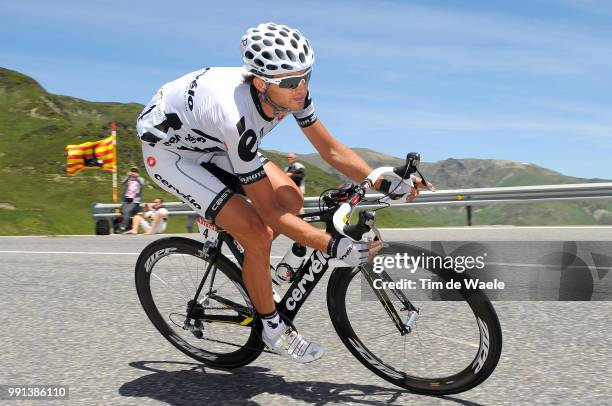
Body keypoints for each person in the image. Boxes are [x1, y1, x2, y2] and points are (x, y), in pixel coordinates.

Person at [135, 22, 422, 363]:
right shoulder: (235, 115)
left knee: (292, 199)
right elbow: (269, 214)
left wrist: (387, 182)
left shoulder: (290, 89)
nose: (301, 88)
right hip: (172, 155)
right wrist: (333, 245)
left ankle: (259, 260)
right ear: (260, 82)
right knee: (259, 232)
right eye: (291, 82)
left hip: (211, 141)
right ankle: (272, 329)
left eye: (307, 77)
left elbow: (330, 150)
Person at [119, 167, 145, 232]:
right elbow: (122, 182)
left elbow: (142, 183)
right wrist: (128, 176)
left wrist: (137, 177)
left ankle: (123, 227)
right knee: (123, 211)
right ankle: (128, 227)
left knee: (127, 211)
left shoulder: (141, 179)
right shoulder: (129, 179)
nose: (133, 173)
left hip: (135, 200)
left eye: (135, 171)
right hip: (127, 199)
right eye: (132, 171)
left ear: (138, 173)